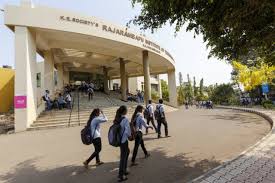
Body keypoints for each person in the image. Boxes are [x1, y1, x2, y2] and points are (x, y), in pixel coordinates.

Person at [114, 105, 131, 182]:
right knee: (123, 157)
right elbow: (127, 131)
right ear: (124, 111)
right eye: (126, 110)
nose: (127, 111)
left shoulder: (117, 119)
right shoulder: (125, 119)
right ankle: (121, 175)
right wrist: (130, 136)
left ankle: (124, 170)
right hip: (124, 140)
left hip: (119, 140)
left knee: (127, 152)